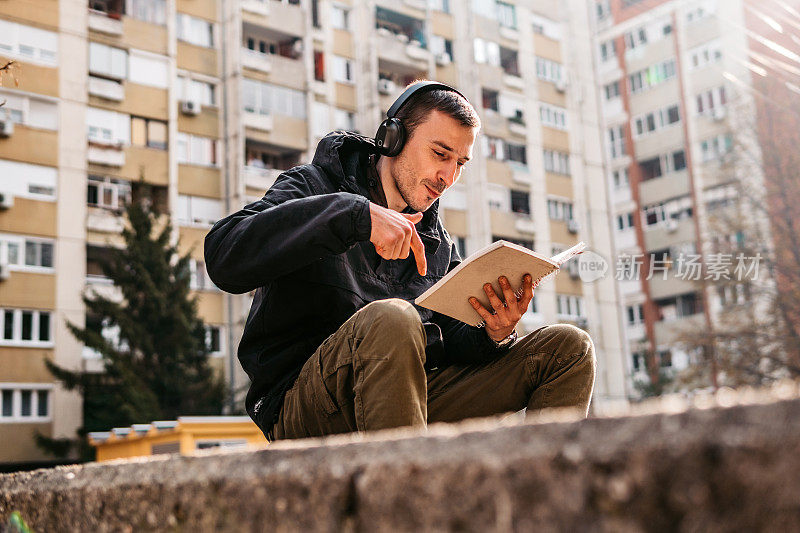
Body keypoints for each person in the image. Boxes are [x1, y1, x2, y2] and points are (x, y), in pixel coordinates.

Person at [204, 80, 596, 442]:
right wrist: (354, 217)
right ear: (392, 138)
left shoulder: (437, 242)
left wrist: (493, 330)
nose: (447, 177)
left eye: (460, 163)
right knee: (392, 318)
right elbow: (223, 256)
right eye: (440, 154)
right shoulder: (313, 187)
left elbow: (454, 341)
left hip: (409, 400)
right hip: (305, 405)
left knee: (568, 348)